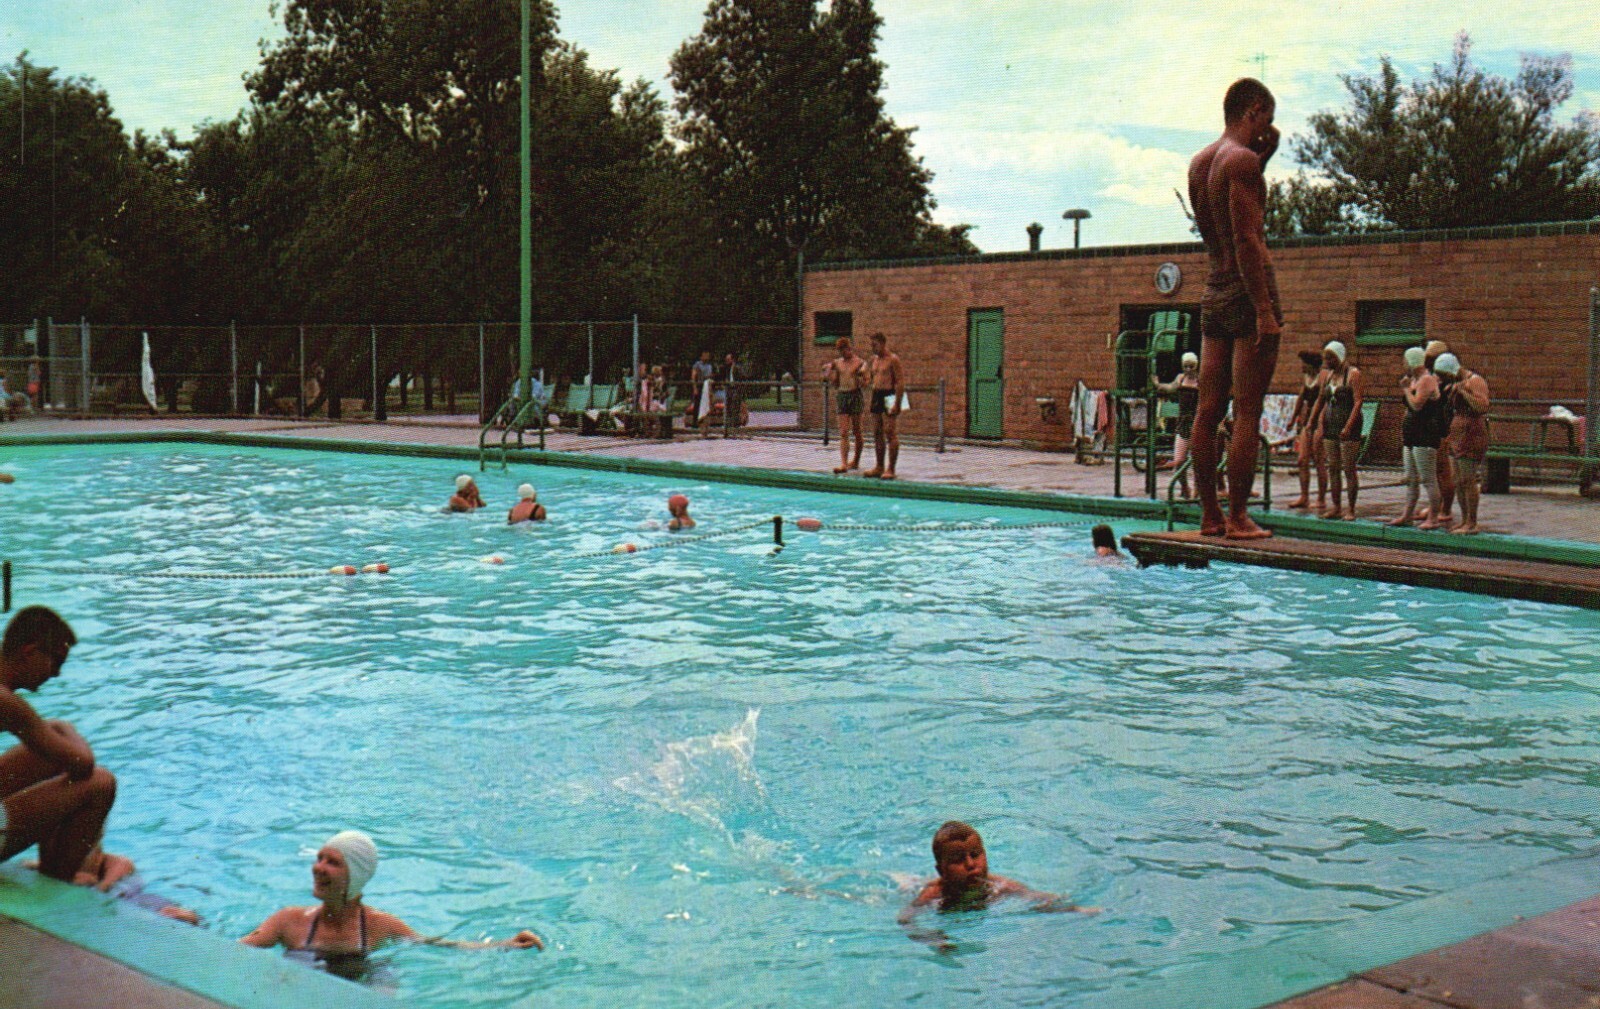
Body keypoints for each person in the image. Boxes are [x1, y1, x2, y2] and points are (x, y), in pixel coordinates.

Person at [241, 830, 541, 977]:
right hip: (299, 988)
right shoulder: (288, 921)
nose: (318, 867)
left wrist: (507, 944)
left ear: (355, 877)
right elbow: (234, 951)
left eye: (332, 862)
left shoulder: (380, 926)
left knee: (384, 977)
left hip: (357, 986)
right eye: (319, 858)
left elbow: (443, 947)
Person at [1188, 78, 1282, 539]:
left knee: (1208, 409)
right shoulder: (1242, 162)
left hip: (1214, 286)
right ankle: (1239, 517)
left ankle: (1209, 515)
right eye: (1266, 118)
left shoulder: (1202, 162)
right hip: (1247, 290)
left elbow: (1223, 218)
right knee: (1247, 409)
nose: (1268, 127)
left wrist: (1265, 158)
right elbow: (1246, 236)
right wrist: (1264, 308)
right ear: (1254, 111)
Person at [1, 607, 121, 884]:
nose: (55, 674)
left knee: (52, 749)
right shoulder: (6, 702)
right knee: (101, 782)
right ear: (29, 652)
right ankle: (55, 878)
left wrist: (57, 730)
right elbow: (83, 764)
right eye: (55, 662)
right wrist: (66, 728)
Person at [898, 821, 1097, 951]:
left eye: (975, 855)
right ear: (941, 870)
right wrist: (932, 939)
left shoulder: (1000, 885)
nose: (970, 864)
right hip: (930, 892)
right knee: (909, 885)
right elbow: (905, 920)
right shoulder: (935, 893)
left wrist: (1076, 909)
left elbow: (1037, 898)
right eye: (958, 859)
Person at [1435, 353, 1490, 534]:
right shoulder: (1454, 383)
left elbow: (1482, 407)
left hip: (1472, 434)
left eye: (1445, 375)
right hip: (1457, 435)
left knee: (1468, 479)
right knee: (1458, 480)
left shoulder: (1474, 381)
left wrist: (1463, 393)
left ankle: (1472, 522)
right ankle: (1464, 519)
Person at [1392, 346, 1445, 529]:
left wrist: (1406, 389)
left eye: (1406, 360)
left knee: (1428, 479)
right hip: (1411, 433)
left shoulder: (1427, 379)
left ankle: (1434, 517)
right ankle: (1407, 515)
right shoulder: (1415, 379)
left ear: (1413, 361)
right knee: (1411, 478)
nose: (1404, 364)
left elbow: (1416, 406)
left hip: (1425, 433)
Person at [1317, 341, 1364, 520]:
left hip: (1348, 426)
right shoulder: (1328, 376)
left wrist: (1348, 426)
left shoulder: (1353, 374)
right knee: (1333, 467)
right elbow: (1325, 402)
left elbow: (1358, 401)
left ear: (1340, 357)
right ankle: (1336, 506)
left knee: (1348, 468)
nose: (1327, 361)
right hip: (1331, 425)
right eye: (1325, 357)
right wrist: (1321, 423)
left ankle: (1351, 508)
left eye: (1330, 357)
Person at [1285, 350, 1328, 510]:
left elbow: (1323, 401)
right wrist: (1293, 418)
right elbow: (1301, 398)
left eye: (1303, 363)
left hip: (1320, 420)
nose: (1301, 366)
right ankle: (1304, 497)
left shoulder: (1323, 377)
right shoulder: (1306, 378)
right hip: (1307, 421)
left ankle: (1321, 498)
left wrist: (1319, 424)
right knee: (1302, 459)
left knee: (1319, 460)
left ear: (1310, 365)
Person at [1155, 352, 1201, 497]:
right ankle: (1185, 487)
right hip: (1183, 423)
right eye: (1185, 366)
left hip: (1197, 423)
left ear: (1196, 365)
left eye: (1191, 366)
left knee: (1198, 463)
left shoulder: (1201, 380)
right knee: (1179, 461)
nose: (1188, 369)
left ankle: (1197, 491)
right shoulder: (1180, 379)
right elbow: (1169, 388)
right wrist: (1157, 384)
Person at [863, 332, 905, 480]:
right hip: (877, 395)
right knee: (876, 431)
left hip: (890, 394)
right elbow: (871, 379)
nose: (872, 348)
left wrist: (898, 403)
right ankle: (879, 466)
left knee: (889, 432)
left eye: (875, 345)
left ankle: (891, 468)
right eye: (871, 345)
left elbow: (900, 382)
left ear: (882, 343)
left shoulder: (893, 359)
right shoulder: (874, 360)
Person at [1424, 340, 1458, 524]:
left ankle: (1445, 508)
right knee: (1434, 470)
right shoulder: (1432, 375)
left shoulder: (1447, 381)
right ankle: (1435, 504)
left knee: (1443, 469)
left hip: (1443, 428)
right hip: (1432, 425)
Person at [824, 337, 868, 474]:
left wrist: (862, 379)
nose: (843, 353)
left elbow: (866, 380)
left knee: (857, 431)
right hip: (843, 395)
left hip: (855, 395)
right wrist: (828, 374)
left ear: (850, 349)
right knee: (843, 432)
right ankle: (843, 463)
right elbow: (832, 380)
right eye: (840, 351)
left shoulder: (859, 362)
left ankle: (855, 460)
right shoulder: (837, 363)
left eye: (845, 350)